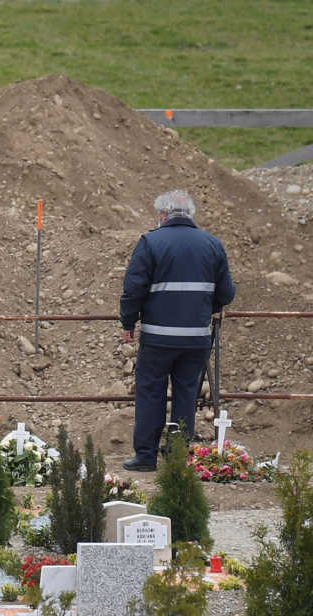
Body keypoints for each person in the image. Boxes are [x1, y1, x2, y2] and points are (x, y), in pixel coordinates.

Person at [119, 189, 235, 471]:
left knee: (150, 393)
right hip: (196, 338)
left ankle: (146, 457)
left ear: (162, 215)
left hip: (158, 339)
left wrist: (128, 322)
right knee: (185, 394)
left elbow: (133, 289)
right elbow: (227, 293)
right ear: (190, 214)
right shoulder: (212, 244)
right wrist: (207, 308)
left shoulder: (150, 242)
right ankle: (177, 457)